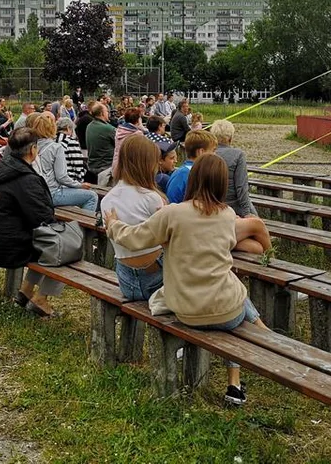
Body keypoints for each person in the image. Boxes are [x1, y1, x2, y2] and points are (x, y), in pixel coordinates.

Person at [106, 155, 270, 407]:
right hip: (227, 312)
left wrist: (113, 224)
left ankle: (258, 342)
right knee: (234, 290)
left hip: (186, 310)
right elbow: (253, 238)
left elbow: (134, 237)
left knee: (229, 289)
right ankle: (258, 342)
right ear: (221, 184)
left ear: (193, 179)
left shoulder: (173, 214)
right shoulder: (227, 214)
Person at [0, 128, 66, 317]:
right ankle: (41, 299)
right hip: (11, 246)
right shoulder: (25, 179)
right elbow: (42, 218)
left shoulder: (5, 169)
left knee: (47, 245)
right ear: (33, 150)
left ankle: (26, 292)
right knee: (65, 249)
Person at [102, 136, 166, 301]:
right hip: (157, 280)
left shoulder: (107, 200)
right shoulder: (151, 198)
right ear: (146, 164)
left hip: (126, 280)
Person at [31, 114, 98, 213]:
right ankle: (82, 226)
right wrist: (79, 185)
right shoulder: (56, 148)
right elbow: (61, 177)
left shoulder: (32, 146)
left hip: (37, 192)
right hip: (52, 193)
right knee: (92, 196)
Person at [209, 119, 254, 218]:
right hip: (233, 207)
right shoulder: (238, 155)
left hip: (211, 206)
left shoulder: (207, 154)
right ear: (230, 138)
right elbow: (241, 187)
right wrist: (247, 213)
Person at [165, 130, 218, 204]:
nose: (215, 154)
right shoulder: (183, 174)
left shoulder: (205, 172)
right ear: (201, 152)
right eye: (213, 150)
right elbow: (172, 202)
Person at [85, 102, 117, 186]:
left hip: (91, 166)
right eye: (107, 111)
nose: (108, 113)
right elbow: (120, 146)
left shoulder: (89, 126)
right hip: (106, 167)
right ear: (102, 113)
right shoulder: (109, 129)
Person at [111, 108, 145, 179]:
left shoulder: (119, 130)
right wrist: (142, 127)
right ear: (138, 120)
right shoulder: (137, 134)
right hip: (129, 171)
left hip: (116, 167)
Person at [55, 118, 86, 182]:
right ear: (68, 128)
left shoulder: (52, 140)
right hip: (70, 181)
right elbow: (78, 166)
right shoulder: (71, 142)